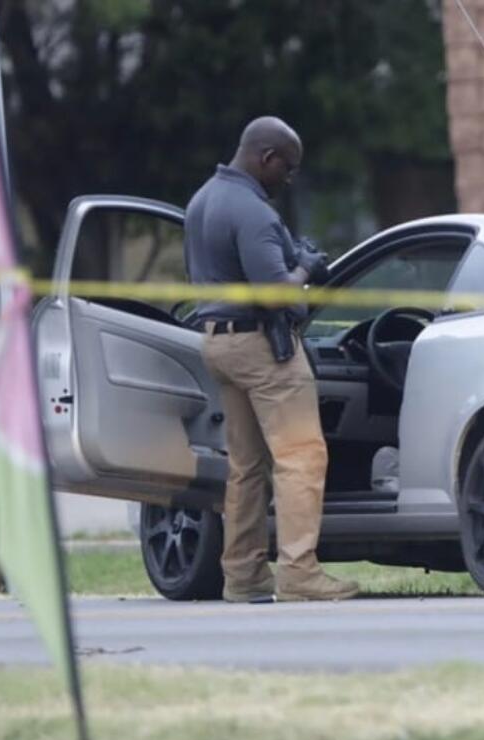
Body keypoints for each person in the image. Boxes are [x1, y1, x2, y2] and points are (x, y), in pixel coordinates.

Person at [184, 116, 359, 603]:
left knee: (245, 465)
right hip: (262, 349)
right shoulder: (254, 212)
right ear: (267, 159)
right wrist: (306, 264)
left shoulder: (202, 200)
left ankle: (242, 576)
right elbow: (276, 293)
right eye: (288, 168)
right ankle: (300, 573)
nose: (290, 178)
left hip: (218, 343)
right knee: (301, 456)